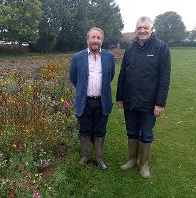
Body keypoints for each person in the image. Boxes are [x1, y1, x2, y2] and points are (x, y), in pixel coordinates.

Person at [116, 16, 171, 178]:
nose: (142, 30)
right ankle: (132, 159)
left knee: (146, 133)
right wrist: (120, 96)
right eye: (139, 28)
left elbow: (164, 78)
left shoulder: (161, 48)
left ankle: (144, 164)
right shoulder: (130, 48)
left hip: (149, 102)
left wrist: (160, 103)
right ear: (135, 30)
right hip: (130, 100)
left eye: (145, 27)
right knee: (131, 131)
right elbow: (123, 75)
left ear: (152, 29)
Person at [69, 27, 115, 171]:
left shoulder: (109, 57)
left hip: (102, 101)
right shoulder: (78, 57)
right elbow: (73, 77)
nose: (95, 40)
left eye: (98, 38)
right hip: (84, 101)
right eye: (93, 37)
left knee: (100, 130)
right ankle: (85, 156)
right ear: (88, 39)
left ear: (102, 40)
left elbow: (110, 76)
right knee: (85, 130)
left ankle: (99, 158)